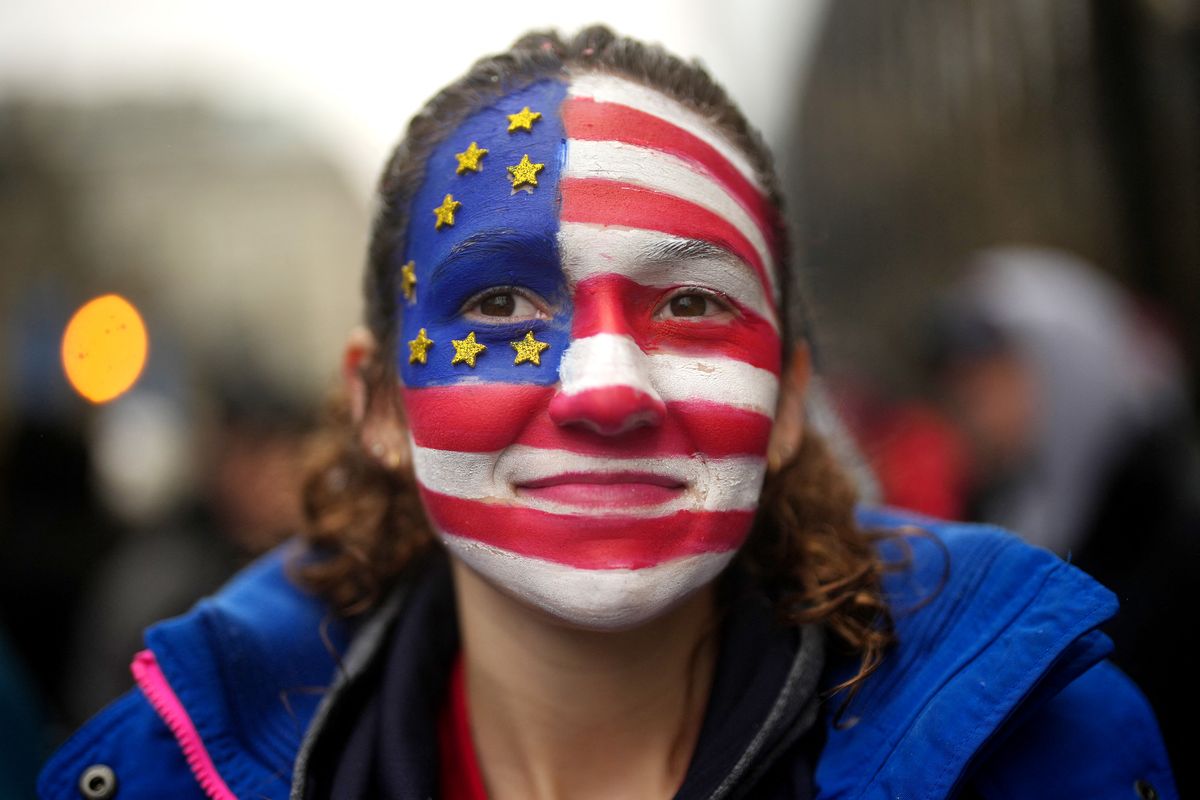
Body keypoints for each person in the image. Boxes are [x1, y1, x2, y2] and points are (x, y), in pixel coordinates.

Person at [39, 27, 1176, 800]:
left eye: (690, 301)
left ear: (786, 403)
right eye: (497, 302)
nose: (606, 386)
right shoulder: (161, 772)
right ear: (379, 403)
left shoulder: (1043, 751)